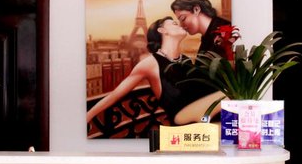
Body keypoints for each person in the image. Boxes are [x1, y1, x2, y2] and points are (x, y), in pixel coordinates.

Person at [86, 17, 220, 126]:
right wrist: (88, 116)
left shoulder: (185, 60)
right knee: (228, 95)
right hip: (181, 117)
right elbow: (115, 95)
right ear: (162, 30)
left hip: (199, 115)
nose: (179, 25)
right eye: (174, 23)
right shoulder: (150, 63)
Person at [170, 0, 238, 57]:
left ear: (196, 9)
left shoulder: (224, 31)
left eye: (183, 18)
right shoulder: (206, 37)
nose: (181, 25)